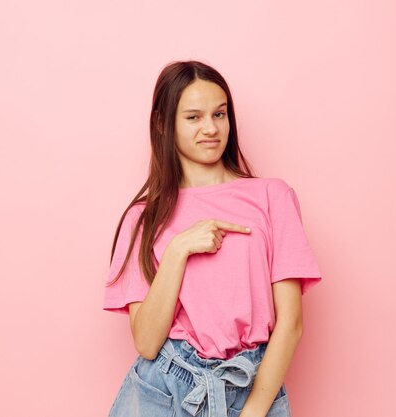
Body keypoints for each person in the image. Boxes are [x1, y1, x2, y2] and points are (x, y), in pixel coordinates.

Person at [103, 60, 323, 417]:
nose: (211, 128)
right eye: (193, 117)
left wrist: (252, 412)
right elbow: (146, 342)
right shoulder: (143, 219)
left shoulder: (272, 197)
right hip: (165, 388)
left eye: (219, 114)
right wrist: (178, 249)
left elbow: (291, 323)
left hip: (250, 385)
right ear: (163, 124)